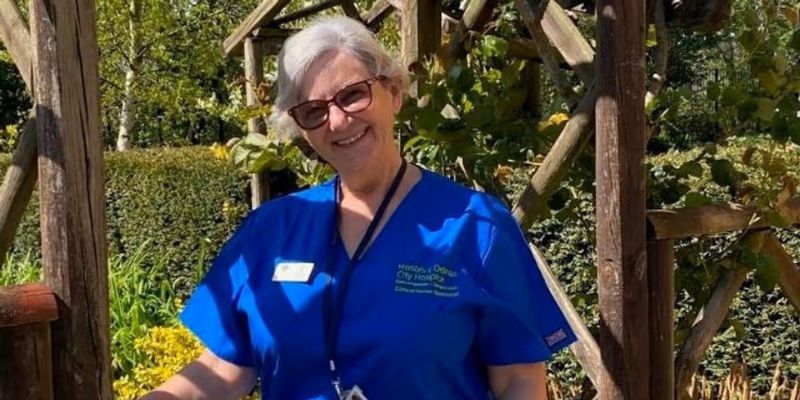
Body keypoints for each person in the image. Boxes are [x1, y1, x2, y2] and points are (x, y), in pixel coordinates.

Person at [143, 16, 576, 400]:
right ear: (302, 129)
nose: (338, 121)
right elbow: (225, 368)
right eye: (313, 110)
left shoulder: (477, 226)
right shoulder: (271, 231)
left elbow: (518, 379)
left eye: (352, 95)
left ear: (393, 93)